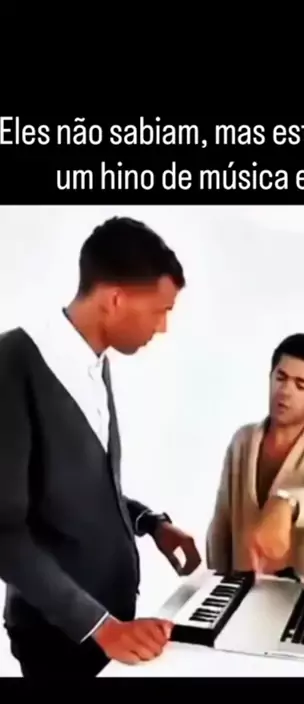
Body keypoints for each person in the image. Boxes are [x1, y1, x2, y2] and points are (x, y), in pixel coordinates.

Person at [0, 216, 201, 677]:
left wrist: (151, 523)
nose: (163, 327)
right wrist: (99, 626)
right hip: (58, 637)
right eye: (160, 310)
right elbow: (3, 532)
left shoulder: (94, 363)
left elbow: (74, 489)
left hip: (109, 631)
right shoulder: (12, 365)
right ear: (115, 299)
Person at [206, 333, 304, 584]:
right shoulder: (243, 440)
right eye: (280, 378)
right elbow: (222, 524)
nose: (284, 391)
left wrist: (288, 504)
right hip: (244, 595)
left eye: (301, 385)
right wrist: (213, 584)